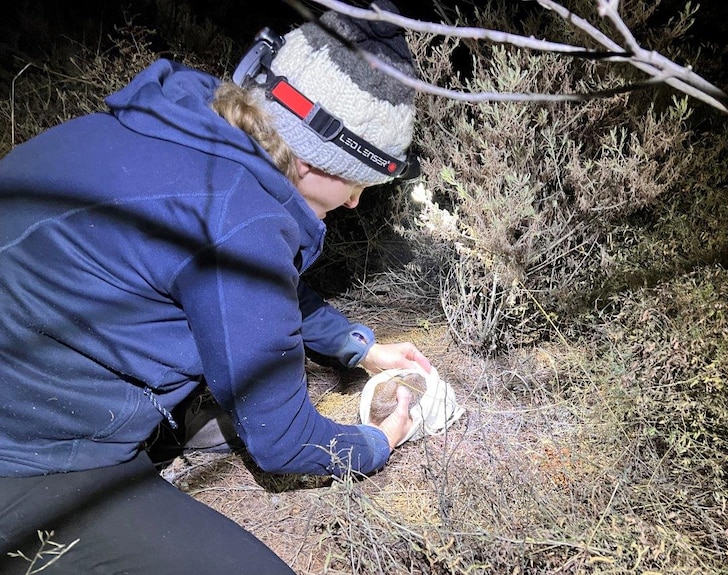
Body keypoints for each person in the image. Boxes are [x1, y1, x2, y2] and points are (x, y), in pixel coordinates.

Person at [0, 2, 429, 573]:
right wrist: (378, 441)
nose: (355, 201)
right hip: (28, 459)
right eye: (359, 181)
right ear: (315, 157)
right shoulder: (238, 219)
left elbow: (247, 278)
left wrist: (358, 347)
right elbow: (285, 443)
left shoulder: (187, 127)